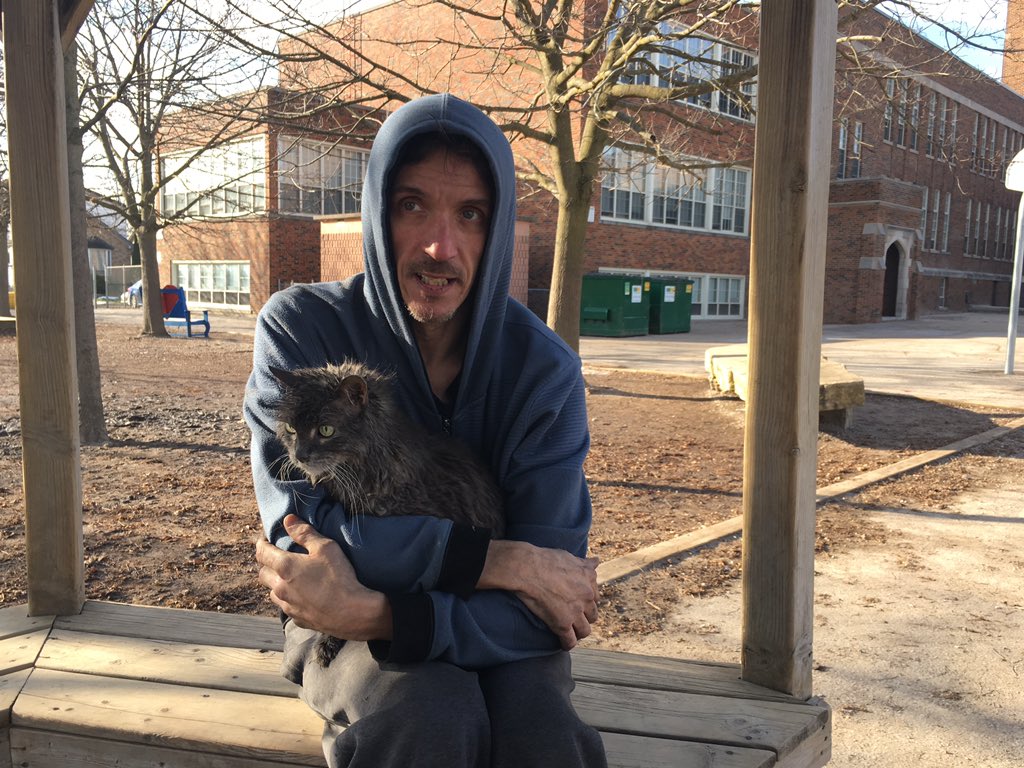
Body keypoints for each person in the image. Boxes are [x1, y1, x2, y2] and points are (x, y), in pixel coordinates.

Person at [244, 93, 607, 767]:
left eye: (470, 214)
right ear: (379, 213)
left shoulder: (543, 370)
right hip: (333, 627)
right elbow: (306, 547)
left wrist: (386, 613)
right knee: (427, 713)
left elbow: (550, 599)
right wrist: (503, 561)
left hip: (497, 628)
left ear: (495, 231)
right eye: (413, 205)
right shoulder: (301, 329)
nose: (441, 246)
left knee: (543, 737)